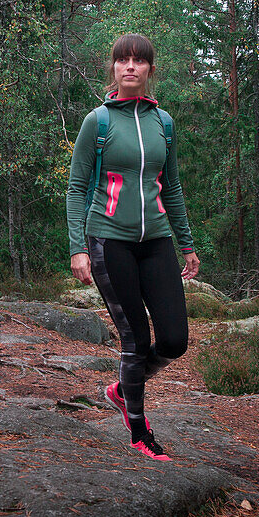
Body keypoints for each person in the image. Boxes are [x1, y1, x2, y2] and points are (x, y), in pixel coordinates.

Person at [65, 33, 200, 461]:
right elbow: (76, 188)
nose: (130, 67)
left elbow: (172, 185)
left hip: (157, 240)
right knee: (136, 339)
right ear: (114, 68)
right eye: (122, 60)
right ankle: (139, 431)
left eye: (138, 61)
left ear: (149, 70)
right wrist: (77, 248)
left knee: (175, 339)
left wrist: (187, 244)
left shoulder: (165, 123)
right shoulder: (98, 121)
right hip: (108, 240)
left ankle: (123, 389)